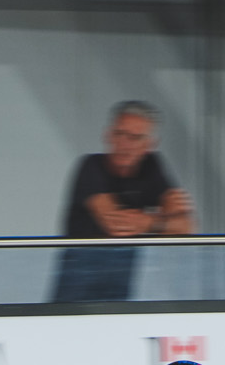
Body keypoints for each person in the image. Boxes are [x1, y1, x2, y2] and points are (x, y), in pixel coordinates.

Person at [51, 101, 194, 303]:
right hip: (78, 278)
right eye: (119, 134)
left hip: (120, 279)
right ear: (108, 135)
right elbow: (116, 225)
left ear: (149, 145)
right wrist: (160, 220)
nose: (125, 144)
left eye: (135, 138)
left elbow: (186, 227)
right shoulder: (91, 166)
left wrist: (148, 223)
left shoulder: (152, 169)